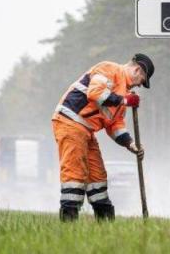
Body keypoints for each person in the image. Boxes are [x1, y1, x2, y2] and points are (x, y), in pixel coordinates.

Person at [51, 53, 155, 221]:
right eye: (142, 80)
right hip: (70, 121)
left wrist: (131, 144)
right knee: (74, 174)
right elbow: (95, 93)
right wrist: (124, 101)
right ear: (137, 70)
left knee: (98, 178)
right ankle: (69, 223)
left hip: (86, 130)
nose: (140, 85)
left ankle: (105, 223)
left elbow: (115, 126)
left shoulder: (124, 93)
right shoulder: (109, 69)